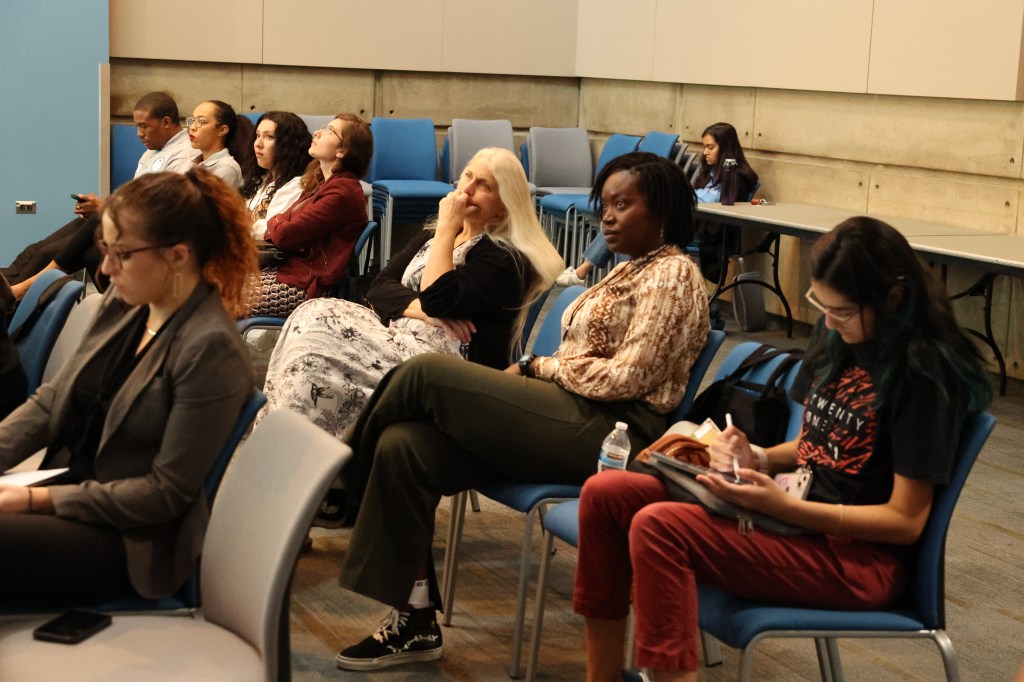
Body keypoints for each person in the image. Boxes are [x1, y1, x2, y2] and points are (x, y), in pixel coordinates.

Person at [332, 152, 711, 672]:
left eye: (624, 205)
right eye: (605, 205)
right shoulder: (626, 270)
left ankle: (336, 481)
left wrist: (539, 367)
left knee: (426, 374)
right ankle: (414, 619)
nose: (608, 217)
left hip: (613, 431)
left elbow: (629, 378)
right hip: (567, 414)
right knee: (404, 447)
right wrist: (546, 369)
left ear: (663, 211)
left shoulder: (673, 275)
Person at [573, 216, 992, 682]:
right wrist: (758, 456)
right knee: (605, 493)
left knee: (660, 527)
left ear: (892, 299)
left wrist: (785, 509)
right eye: (822, 306)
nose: (829, 322)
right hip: (792, 521)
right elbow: (819, 443)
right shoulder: (841, 342)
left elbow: (906, 521)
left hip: (857, 561)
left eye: (843, 312)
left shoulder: (923, 378)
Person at [258, 147, 563, 524]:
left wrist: (449, 232)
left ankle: (313, 489)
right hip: (399, 341)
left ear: (503, 207)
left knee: (317, 352)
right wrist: (421, 309)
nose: (467, 189)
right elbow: (379, 287)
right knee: (311, 320)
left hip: (448, 375)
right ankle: (302, 481)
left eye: (483, 185)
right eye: (467, 176)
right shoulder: (429, 235)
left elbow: (439, 295)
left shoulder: (505, 257)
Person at [0, 167, 257, 608]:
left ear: (178, 255)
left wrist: (34, 501)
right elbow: (53, 400)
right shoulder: (127, 302)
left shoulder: (210, 348)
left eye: (122, 253)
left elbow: (164, 495)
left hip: (129, 541)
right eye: (105, 249)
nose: (106, 268)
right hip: (69, 490)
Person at [3, 92, 194, 299]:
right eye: (137, 126)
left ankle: (15, 300)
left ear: (166, 122)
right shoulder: (151, 152)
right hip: (124, 220)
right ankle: (6, 291)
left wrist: (105, 208)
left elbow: (158, 208)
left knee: (52, 254)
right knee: (36, 250)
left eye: (144, 126)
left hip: (146, 230)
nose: (139, 133)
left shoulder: (184, 155)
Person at [557, 121, 758, 286]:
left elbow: (725, 210)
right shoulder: (708, 173)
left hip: (706, 231)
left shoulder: (738, 176)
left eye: (711, 147)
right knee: (625, 223)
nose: (705, 152)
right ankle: (607, 277)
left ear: (726, 148)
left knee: (631, 226)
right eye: (704, 146)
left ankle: (591, 273)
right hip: (688, 219)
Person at [249, 113, 371, 317]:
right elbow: (285, 222)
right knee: (211, 286)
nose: (317, 132)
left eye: (329, 131)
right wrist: (280, 222)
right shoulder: (320, 182)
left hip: (306, 286)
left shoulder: (342, 191)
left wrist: (275, 221)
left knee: (221, 299)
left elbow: (286, 236)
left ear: (343, 150)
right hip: (289, 272)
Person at [243, 111, 312, 238]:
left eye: (269, 137)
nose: (258, 144)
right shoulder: (261, 180)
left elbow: (270, 229)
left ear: (288, 145)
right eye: (257, 135)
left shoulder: (297, 185)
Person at [187, 99, 256, 190]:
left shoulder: (226, 168)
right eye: (192, 120)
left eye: (202, 122)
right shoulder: (194, 162)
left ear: (222, 130)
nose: (192, 127)